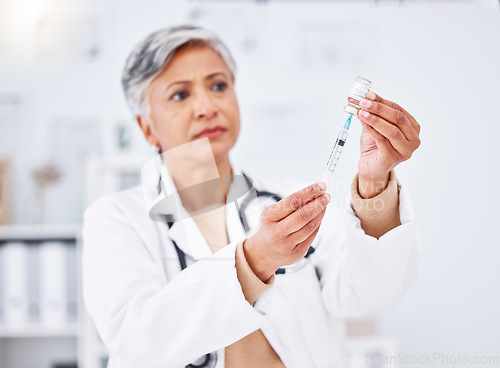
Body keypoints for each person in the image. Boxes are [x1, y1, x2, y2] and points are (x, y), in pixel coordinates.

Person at [82, 25, 421, 368]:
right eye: (180, 95)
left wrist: (375, 183)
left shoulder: (288, 198)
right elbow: (136, 343)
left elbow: (370, 291)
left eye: (218, 86)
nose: (206, 106)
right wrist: (254, 261)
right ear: (147, 127)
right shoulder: (117, 219)